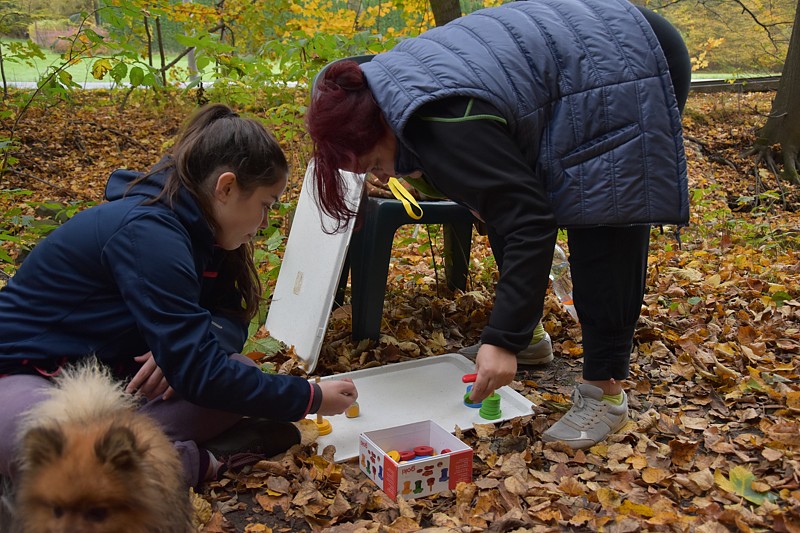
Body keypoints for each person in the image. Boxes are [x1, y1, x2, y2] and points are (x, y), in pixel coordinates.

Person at [306, 0, 690, 449]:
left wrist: (499, 339)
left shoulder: (438, 121)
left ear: (380, 129)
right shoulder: (388, 95)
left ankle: (605, 395)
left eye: (375, 162)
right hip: (575, 67)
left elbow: (529, 219)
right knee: (500, 208)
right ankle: (527, 337)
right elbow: (505, 201)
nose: (381, 177)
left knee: (601, 217)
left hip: (628, 61)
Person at [0, 103, 358, 487]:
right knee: (49, 457)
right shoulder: (151, 234)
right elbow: (200, 374)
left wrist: (182, 350)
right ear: (226, 187)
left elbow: (229, 322)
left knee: (242, 373)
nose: (265, 223)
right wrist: (311, 397)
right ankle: (201, 461)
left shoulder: (206, 236)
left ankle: (113, 457)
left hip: (114, 382)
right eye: (265, 206)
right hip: (29, 373)